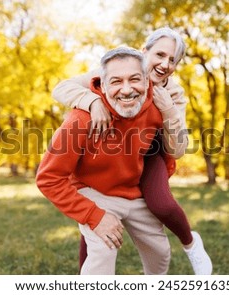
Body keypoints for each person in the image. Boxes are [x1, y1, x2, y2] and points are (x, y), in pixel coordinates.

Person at [52, 27, 212, 275]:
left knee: (161, 204)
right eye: (159, 54)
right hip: (111, 148)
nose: (164, 64)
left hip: (150, 150)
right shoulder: (119, 72)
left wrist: (168, 109)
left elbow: (178, 147)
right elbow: (62, 88)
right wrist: (93, 101)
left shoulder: (174, 93)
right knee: (98, 212)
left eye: (172, 60)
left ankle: (191, 244)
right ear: (143, 51)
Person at [36, 47, 171, 275]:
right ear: (103, 85)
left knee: (160, 251)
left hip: (133, 193)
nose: (127, 90)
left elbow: (163, 156)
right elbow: (48, 179)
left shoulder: (155, 112)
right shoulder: (80, 119)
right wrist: (94, 215)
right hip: (93, 192)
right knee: (103, 251)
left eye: (135, 79)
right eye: (116, 81)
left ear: (147, 81)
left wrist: (156, 188)